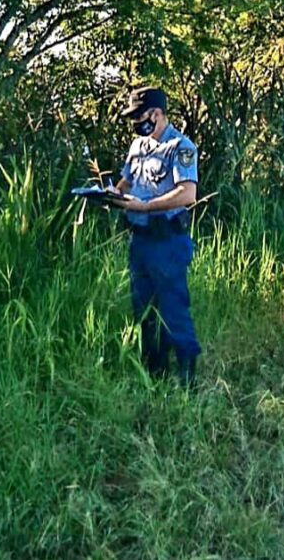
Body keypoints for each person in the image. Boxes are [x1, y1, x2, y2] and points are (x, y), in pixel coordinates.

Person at [108, 86, 202, 387]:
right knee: (144, 310)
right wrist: (112, 194)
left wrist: (146, 206)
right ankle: (155, 373)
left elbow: (188, 193)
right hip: (139, 241)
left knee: (173, 307)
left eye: (140, 116)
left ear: (157, 113)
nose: (136, 123)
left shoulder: (181, 147)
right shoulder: (138, 146)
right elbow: (127, 180)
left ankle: (188, 376)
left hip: (167, 241)